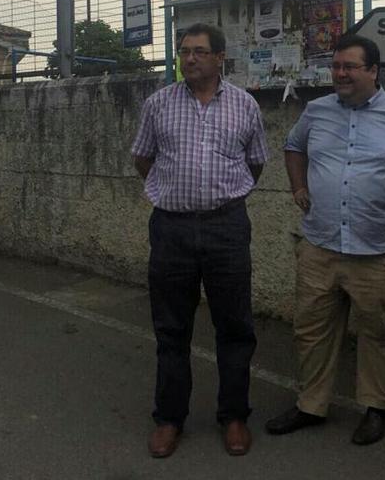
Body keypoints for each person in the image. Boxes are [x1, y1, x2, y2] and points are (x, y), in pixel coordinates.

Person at [265, 35, 385, 445]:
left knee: (379, 332)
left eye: (350, 67)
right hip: (320, 244)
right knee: (312, 330)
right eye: (336, 66)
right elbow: (293, 147)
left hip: (376, 250)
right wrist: (298, 186)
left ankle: (376, 409)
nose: (340, 74)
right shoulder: (317, 111)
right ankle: (311, 405)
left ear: (373, 71)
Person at [130, 23, 268, 459]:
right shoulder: (158, 104)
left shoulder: (245, 105)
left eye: (200, 52)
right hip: (171, 229)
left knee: (234, 327)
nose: (190, 59)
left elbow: (256, 163)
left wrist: (218, 198)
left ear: (220, 57)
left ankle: (234, 417)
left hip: (226, 227)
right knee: (171, 329)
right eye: (184, 51)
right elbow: (143, 157)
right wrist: (175, 194)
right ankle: (169, 419)